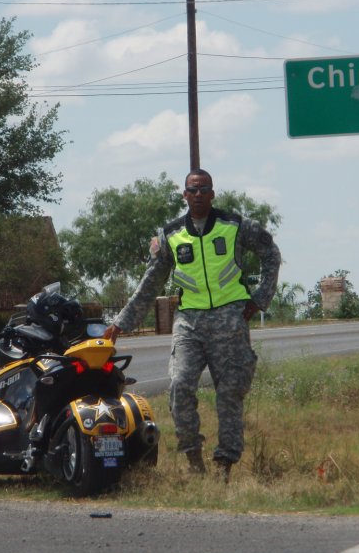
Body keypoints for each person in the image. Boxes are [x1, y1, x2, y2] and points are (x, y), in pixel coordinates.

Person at [104, 169, 281, 481]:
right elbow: (150, 283)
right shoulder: (171, 234)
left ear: (213, 194)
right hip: (189, 322)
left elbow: (270, 254)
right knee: (179, 386)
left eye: (204, 190)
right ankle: (193, 460)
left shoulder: (235, 226)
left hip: (231, 319)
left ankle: (224, 464)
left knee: (229, 392)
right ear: (184, 195)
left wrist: (260, 299)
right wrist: (120, 323)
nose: (198, 195)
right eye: (192, 190)